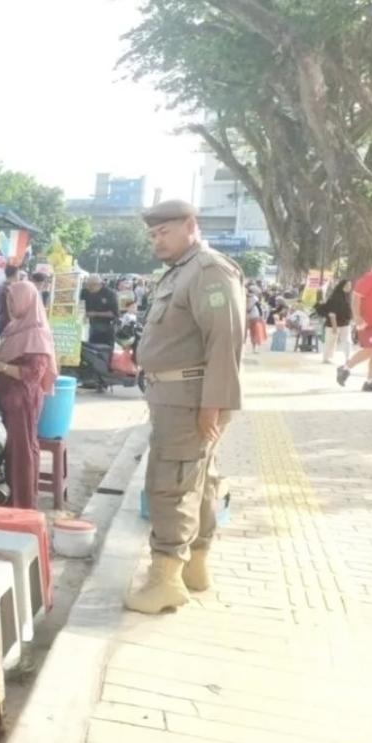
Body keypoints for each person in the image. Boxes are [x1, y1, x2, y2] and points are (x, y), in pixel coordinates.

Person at [126, 200, 244, 615]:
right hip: (178, 397)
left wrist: (213, 403)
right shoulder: (183, 271)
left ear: (191, 226)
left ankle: (165, 579)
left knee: (171, 482)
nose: (158, 240)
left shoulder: (208, 270)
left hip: (190, 399)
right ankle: (195, 566)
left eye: (165, 232)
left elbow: (225, 339)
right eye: (153, 235)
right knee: (200, 480)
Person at [0, 280, 57, 510]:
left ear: (28, 301)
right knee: (12, 450)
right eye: (8, 300)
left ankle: (22, 504)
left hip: (23, 399)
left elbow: (34, 374)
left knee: (22, 451)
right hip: (8, 397)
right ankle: (12, 498)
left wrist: (1, 367)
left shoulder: (37, 332)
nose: (10, 305)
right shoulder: (16, 327)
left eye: (14, 300)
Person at [336, 261, 372, 392]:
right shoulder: (369, 279)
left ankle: (370, 382)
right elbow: (356, 298)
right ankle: (345, 368)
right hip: (367, 323)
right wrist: (357, 316)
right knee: (370, 350)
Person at [317, 280, 352, 365]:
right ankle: (326, 358)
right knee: (330, 341)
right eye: (347, 285)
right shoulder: (335, 298)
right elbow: (332, 313)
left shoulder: (346, 297)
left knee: (347, 341)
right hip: (333, 324)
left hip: (344, 323)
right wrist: (334, 326)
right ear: (342, 286)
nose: (349, 287)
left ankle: (348, 358)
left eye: (350, 285)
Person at [80, 274, 119, 346]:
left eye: (91, 286)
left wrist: (95, 313)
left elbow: (114, 313)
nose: (89, 288)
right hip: (87, 326)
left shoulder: (109, 294)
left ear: (98, 284)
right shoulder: (85, 292)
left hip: (105, 328)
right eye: (87, 285)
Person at [245, 285, 267, 353]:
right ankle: (254, 348)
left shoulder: (244, 297)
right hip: (255, 316)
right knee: (256, 332)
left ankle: (251, 347)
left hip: (248, 317)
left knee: (251, 333)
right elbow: (259, 308)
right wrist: (261, 316)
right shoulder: (255, 298)